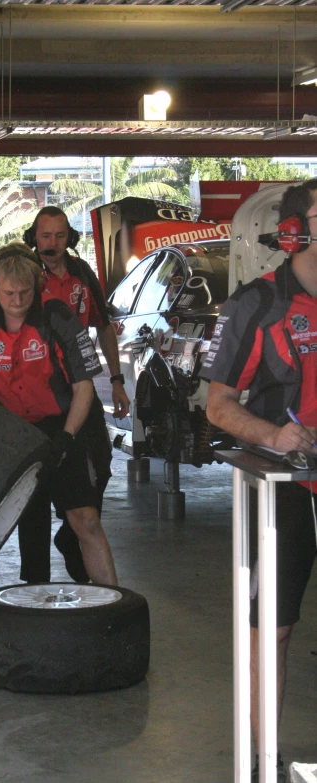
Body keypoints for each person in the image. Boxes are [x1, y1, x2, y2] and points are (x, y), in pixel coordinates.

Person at [0, 243, 118, 647]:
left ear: (36, 287)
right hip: (5, 428)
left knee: (86, 520)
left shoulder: (57, 316)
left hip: (62, 426)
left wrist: (68, 438)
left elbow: (84, 387)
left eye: (25, 293)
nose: (17, 301)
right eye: (9, 294)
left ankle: (115, 608)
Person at [200, 179, 317, 783]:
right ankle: (265, 761)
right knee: (273, 630)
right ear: (295, 232)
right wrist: (272, 436)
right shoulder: (255, 306)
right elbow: (218, 405)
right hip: (286, 492)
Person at [22, 206, 130, 583]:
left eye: (59, 236)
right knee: (36, 487)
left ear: (71, 238)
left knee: (101, 467)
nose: (52, 245)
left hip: (83, 391)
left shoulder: (83, 274)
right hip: (40, 398)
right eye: (45, 236)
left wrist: (117, 380)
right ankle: (36, 581)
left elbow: (103, 327)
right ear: (33, 237)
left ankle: (72, 536)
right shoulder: (26, 276)